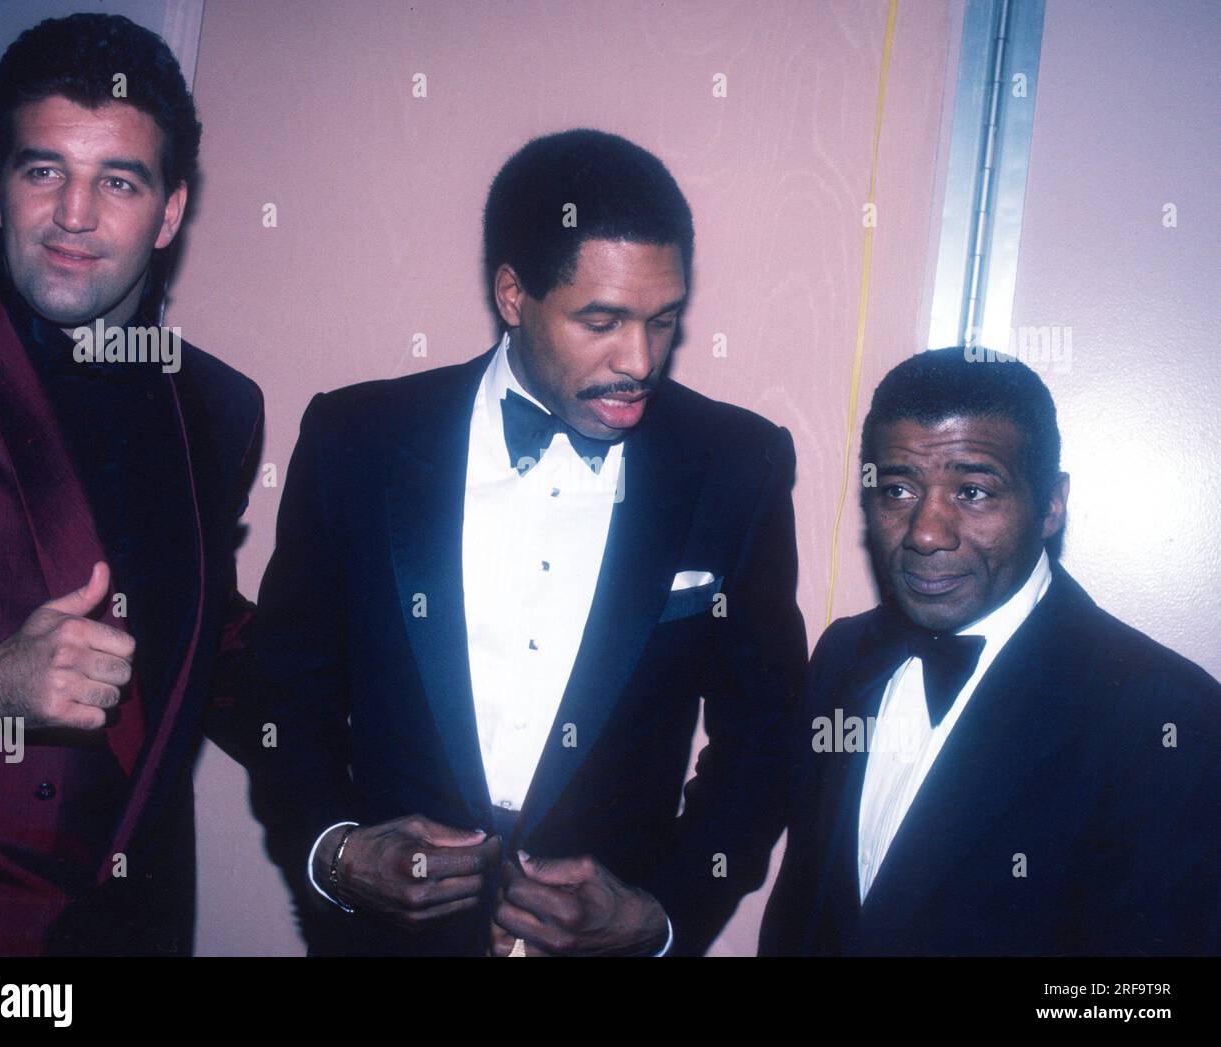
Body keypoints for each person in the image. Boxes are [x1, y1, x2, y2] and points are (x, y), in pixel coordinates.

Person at [252, 128, 807, 956]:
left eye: (664, 321)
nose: (640, 360)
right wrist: (334, 852)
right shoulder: (355, 439)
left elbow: (766, 733)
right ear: (513, 295)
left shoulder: (737, 465)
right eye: (602, 320)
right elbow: (283, 690)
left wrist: (661, 916)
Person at [0, 13, 263, 955]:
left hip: (139, 931)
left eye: (118, 181)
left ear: (170, 211)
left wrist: (374, 767)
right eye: (44, 171)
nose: (74, 215)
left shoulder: (221, 407)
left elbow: (204, 640)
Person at [759, 347, 1221, 956]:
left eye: (973, 491)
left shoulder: (1171, 718)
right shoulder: (845, 655)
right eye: (898, 488)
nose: (926, 531)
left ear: (1051, 504)